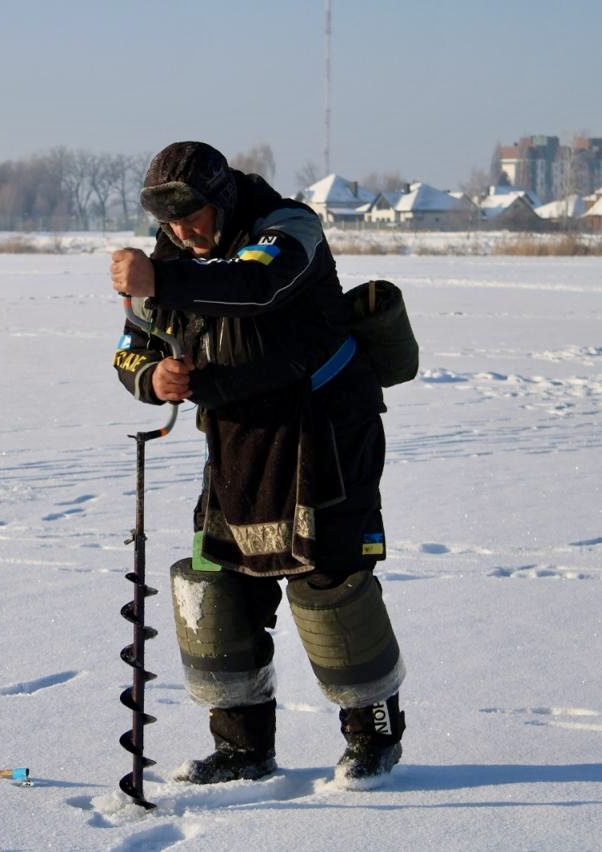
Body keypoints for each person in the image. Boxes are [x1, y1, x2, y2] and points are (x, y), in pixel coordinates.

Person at [110, 141, 413, 788]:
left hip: (322, 429)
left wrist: (160, 280)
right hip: (236, 439)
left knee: (327, 581)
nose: (182, 232)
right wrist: (153, 376)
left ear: (221, 200)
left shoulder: (288, 229)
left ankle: (374, 736)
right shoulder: (170, 256)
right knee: (220, 583)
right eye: (169, 222)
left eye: (193, 216)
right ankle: (242, 749)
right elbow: (130, 348)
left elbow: (253, 286)